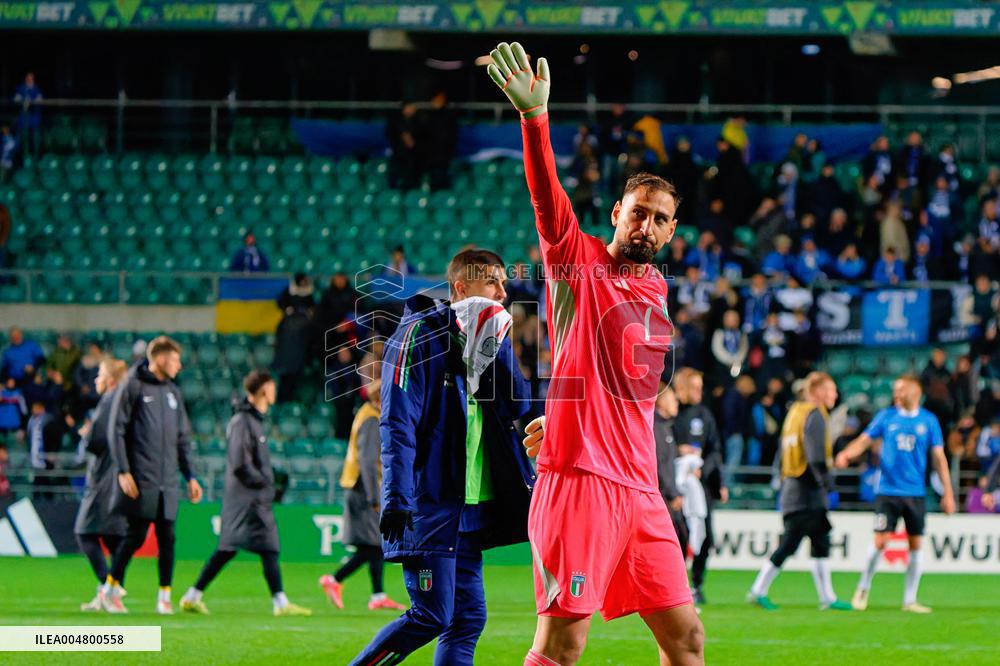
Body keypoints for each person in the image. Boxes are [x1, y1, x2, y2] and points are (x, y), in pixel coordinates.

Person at [488, 41, 703, 666]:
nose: (649, 226)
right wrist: (535, 120)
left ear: (671, 230)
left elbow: (623, 383)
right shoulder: (575, 261)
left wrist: (565, 411)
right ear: (617, 212)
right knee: (562, 644)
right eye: (639, 213)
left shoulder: (657, 286)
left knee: (686, 640)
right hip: (580, 484)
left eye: (662, 219)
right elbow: (547, 198)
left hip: (641, 489)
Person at [348, 248, 535, 666]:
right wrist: (397, 498)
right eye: (493, 283)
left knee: (467, 618)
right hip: (428, 507)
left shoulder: (488, 340)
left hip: (468, 511)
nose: (503, 293)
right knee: (431, 614)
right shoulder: (417, 335)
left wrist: (499, 351)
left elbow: (519, 405)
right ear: (461, 287)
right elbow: (397, 423)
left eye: (504, 283)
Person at [181, 370, 311, 617]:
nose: (274, 392)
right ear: (263, 389)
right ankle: (279, 603)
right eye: (271, 386)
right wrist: (265, 481)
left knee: (235, 547)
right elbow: (240, 462)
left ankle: (193, 595)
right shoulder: (243, 421)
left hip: (250, 497)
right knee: (258, 547)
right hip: (248, 498)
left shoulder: (252, 421)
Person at [835, 375, 957, 613]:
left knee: (916, 545)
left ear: (916, 391)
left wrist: (948, 493)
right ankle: (862, 588)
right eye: (895, 390)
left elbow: (939, 459)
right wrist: (847, 454)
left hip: (915, 493)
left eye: (901, 389)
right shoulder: (886, 417)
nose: (897, 394)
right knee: (880, 541)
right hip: (888, 491)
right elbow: (864, 440)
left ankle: (910, 599)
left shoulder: (928, 421)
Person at [105, 336, 203, 615]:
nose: (179, 365)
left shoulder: (173, 393)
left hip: (168, 482)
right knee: (135, 537)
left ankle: (164, 597)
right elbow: (117, 430)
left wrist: (191, 476)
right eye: (174, 360)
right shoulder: (133, 387)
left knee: (168, 538)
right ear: (160, 359)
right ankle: (110, 588)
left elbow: (183, 439)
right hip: (141, 478)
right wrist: (123, 471)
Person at [747, 372, 852, 611]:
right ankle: (758, 590)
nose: (834, 394)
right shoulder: (815, 415)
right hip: (806, 492)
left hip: (793, 488)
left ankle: (827, 597)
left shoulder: (795, 412)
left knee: (819, 540)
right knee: (791, 543)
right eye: (831, 389)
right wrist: (827, 484)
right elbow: (815, 456)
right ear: (817, 392)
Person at [320, 378, 406, 612]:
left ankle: (376, 595)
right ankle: (336, 579)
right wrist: (374, 498)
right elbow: (367, 462)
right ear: (380, 399)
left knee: (374, 544)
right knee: (374, 545)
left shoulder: (367, 414)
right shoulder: (371, 421)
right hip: (363, 489)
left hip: (359, 487)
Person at [75, 359, 129, 612]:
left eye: (99, 375)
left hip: (104, 476)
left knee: (85, 532)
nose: (96, 380)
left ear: (110, 380)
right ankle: (109, 593)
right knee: (114, 536)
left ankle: (109, 588)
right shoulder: (125, 402)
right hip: (119, 474)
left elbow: (95, 442)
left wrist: (86, 433)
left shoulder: (108, 402)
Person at [672, 367, 726, 607]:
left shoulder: (704, 415)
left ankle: (697, 584)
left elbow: (715, 449)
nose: (698, 392)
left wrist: (713, 477)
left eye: (700, 388)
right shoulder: (668, 414)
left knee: (705, 537)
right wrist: (678, 453)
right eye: (694, 388)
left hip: (701, 487)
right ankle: (676, 585)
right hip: (672, 488)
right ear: (680, 388)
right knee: (677, 538)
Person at [13, 72, 43, 157]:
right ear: (25, 79)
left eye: (31, 78)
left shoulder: (37, 89)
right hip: (23, 118)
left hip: (34, 118)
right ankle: (17, 157)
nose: (29, 80)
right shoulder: (21, 88)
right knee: (19, 137)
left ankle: (35, 156)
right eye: (28, 78)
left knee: (35, 138)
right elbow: (16, 99)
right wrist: (22, 99)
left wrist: (32, 101)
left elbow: (39, 99)